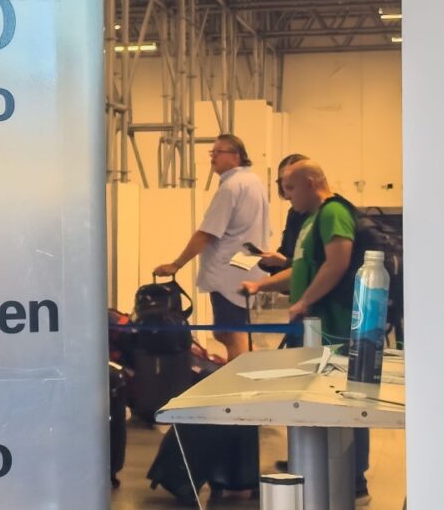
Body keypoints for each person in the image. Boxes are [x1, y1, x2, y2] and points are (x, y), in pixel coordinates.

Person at [239, 159, 369, 501]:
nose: (287, 195)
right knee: (316, 398)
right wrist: (260, 286)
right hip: (314, 327)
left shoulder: (333, 213)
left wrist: (303, 301)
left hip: (334, 326)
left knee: (344, 398)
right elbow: (302, 269)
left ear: (312, 181)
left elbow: (337, 261)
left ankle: (354, 480)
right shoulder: (311, 220)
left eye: (291, 187)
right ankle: (319, 467)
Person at [154, 134, 269, 361]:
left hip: (229, 271)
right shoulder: (253, 181)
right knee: (231, 331)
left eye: (219, 152)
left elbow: (207, 232)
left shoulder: (231, 188)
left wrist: (176, 265)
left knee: (231, 333)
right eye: (212, 153)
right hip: (245, 266)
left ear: (236, 157)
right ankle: (257, 370)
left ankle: (239, 387)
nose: (213, 157)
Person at [257, 153, 311, 274]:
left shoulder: (325, 214)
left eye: (290, 187)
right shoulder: (293, 213)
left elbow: (317, 268)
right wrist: (269, 261)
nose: (286, 195)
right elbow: (286, 251)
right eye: (283, 186)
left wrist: (284, 262)